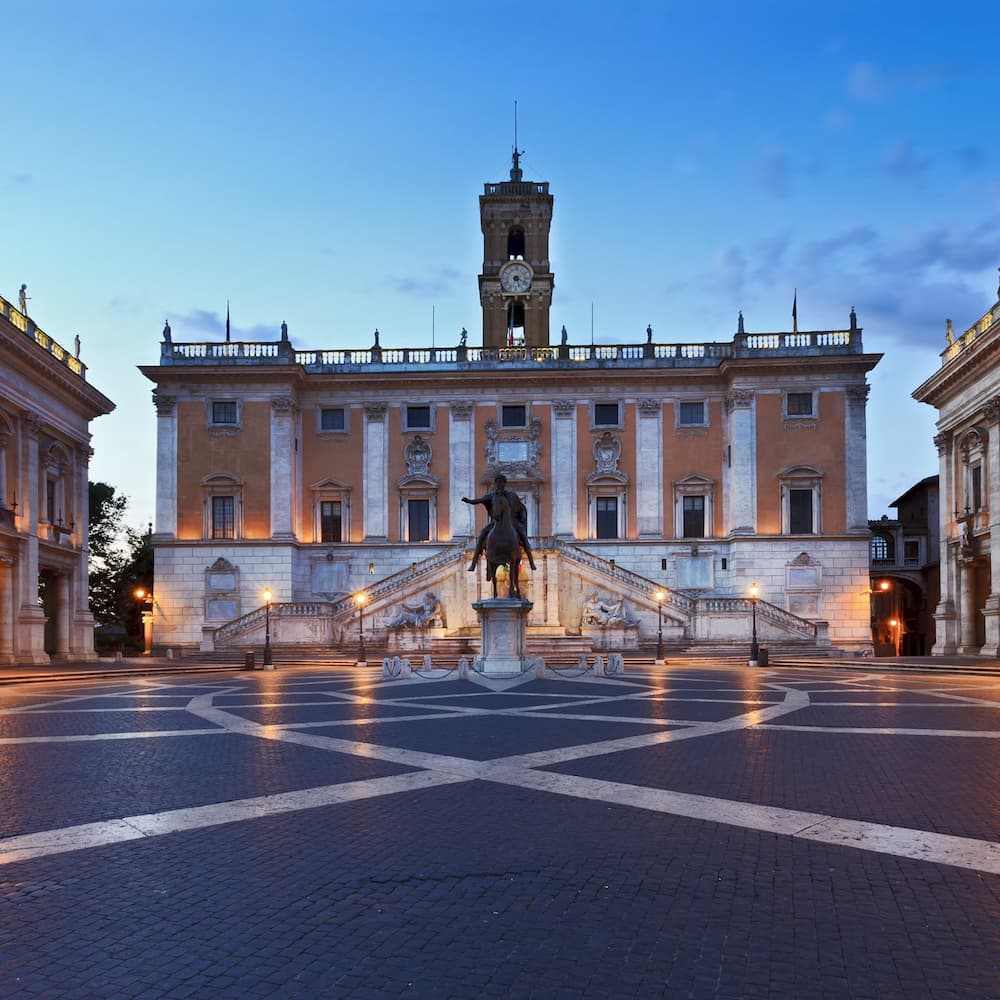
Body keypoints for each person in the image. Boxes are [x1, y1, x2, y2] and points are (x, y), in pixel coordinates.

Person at [462, 473, 536, 571]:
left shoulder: (512, 495)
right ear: (495, 484)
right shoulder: (492, 496)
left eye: (501, 482)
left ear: (504, 483)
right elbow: (479, 500)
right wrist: (469, 501)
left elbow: (520, 508)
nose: (499, 484)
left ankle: (531, 562)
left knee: (523, 536)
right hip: (495, 522)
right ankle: (474, 563)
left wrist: (522, 519)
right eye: (497, 483)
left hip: (512, 522)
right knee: (482, 535)